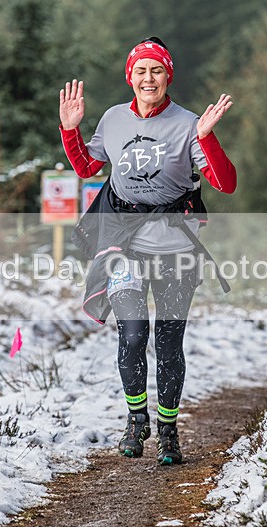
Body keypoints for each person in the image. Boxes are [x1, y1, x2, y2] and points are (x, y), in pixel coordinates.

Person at [58, 37, 237, 465]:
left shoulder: (189, 124)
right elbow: (86, 166)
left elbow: (225, 182)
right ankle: (137, 419)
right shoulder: (115, 119)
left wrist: (207, 138)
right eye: (141, 71)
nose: (148, 78)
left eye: (156, 70)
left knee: (169, 341)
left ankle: (169, 431)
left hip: (176, 248)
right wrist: (70, 129)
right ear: (130, 77)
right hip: (124, 245)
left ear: (167, 76)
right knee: (134, 333)